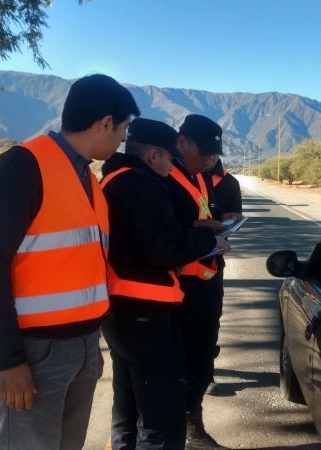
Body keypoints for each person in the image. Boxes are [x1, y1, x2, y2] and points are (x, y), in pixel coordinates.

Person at [0, 74, 139, 450]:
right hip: (34, 352)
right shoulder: (24, 165)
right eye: (123, 128)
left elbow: (79, 267)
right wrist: (8, 360)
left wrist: (88, 343)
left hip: (78, 347)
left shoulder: (87, 179)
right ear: (105, 123)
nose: (123, 139)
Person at [100, 118, 229, 450]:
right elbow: (164, 248)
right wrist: (203, 238)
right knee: (162, 420)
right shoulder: (140, 184)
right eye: (171, 158)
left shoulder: (118, 179)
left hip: (123, 308)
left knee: (129, 405)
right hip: (143, 312)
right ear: (154, 155)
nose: (174, 165)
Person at [166, 114, 236, 449]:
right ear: (182, 142)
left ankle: (192, 424)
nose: (210, 160)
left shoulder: (202, 176)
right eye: (204, 153)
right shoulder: (164, 175)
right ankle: (185, 430)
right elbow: (167, 233)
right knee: (182, 364)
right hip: (180, 289)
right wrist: (205, 228)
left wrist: (221, 222)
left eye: (214, 156)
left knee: (202, 357)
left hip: (207, 279)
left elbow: (205, 213)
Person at [206, 159, 242, 395]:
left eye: (212, 155)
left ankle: (207, 372)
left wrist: (232, 219)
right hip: (181, 263)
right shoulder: (180, 176)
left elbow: (236, 215)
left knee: (211, 319)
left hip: (213, 261)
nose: (208, 159)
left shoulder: (229, 183)